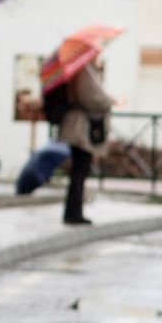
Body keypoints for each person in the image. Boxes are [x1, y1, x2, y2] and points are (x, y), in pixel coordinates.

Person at [58, 58, 113, 225]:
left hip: (77, 126)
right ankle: (74, 212)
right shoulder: (83, 69)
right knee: (80, 170)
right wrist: (109, 101)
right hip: (81, 128)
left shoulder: (80, 69)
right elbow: (91, 97)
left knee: (79, 170)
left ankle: (74, 211)